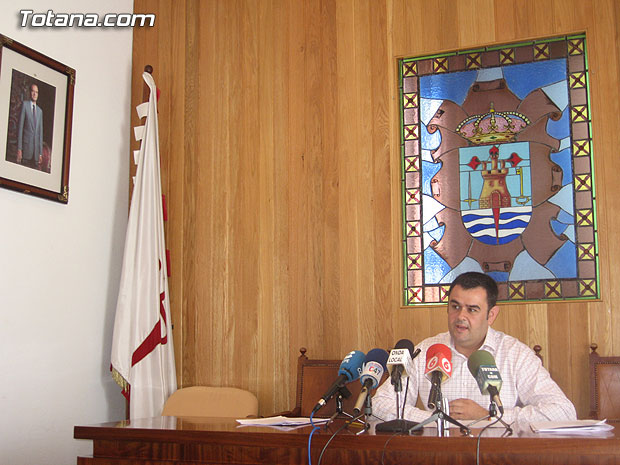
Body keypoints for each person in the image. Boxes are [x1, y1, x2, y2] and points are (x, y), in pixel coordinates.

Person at [372, 272, 577, 425]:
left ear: (491, 315)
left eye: (472, 309)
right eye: (455, 306)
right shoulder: (427, 351)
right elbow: (380, 405)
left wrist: (490, 416)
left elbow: (562, 412)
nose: (461, 316)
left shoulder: (515, 355)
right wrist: (436, 419)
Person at [17, 83, 44, 169]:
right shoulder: (24, 105)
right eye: (33, 91)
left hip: (36, 154)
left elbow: (40, 133)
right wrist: (19, 149)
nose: (35, 94)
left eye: (36, 92)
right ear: (30, 92)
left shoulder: (40, 111)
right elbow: (20, 128)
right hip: (26, 151)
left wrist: (40, 153)